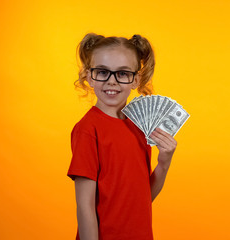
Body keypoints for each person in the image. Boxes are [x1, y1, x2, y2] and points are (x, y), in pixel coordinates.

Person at [67, 32, 177, 240]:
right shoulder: (88, 130)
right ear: (89, 76)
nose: (112, 81)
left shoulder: (139, 126)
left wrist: (164, 162)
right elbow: (85, 208)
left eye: (123, 73)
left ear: (136, 79)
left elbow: (144, 199)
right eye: (102, 72)